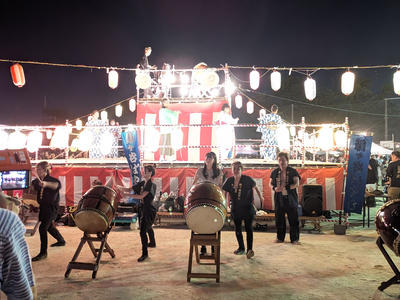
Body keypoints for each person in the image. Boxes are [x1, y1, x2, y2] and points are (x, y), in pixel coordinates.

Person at [222, 161, 264, 259]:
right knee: (237, 228)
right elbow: (225, 192)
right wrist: (225, 204)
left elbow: (256, 187)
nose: (236, 170)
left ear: (242, 169)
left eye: (238, 168)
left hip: (247, 208)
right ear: (232, 170)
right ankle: (241, 247)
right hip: (235, 208)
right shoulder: (229, 181)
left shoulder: (247, 179)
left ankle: (250, 250)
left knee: (249, 228)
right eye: (234, 168)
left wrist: (261, 197)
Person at [117, 164, 157, 262]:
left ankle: (145, 254)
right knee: (147, 226)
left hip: (148, 209)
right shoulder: (142, 183)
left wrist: (126, 194)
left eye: (145, 171)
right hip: (142, 208)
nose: (143, 172)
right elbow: (130, 189)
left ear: (150, 173)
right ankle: (152, 242)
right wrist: (120, 188)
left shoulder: (151, 185)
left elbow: (141, 196)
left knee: (143, 230)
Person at [31, 161, 66, 261]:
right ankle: (61, 240)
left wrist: (46, 184)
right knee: (49, 226)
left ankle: (43, 253)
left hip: (52, 209)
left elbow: (57, 185)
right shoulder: (38, 181)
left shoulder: (51, 180)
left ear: (45, 170)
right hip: (43, 208)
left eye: (39, 170)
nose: (37, 171)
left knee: (43, 228)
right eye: (37, 169)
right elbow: (34, 185)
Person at [0, 207, 37, 299]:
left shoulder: (5, 222)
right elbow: (21, 293)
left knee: (45, 228)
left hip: (49, 209)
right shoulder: (5, 221)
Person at [192, 151, 223, 255]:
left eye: (210, 158)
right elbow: (194, 184)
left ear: (214, 160)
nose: (208, 160)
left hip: (213, 200)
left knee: (213, 222)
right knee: (201, 222)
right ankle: (203, 247)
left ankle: (214, 248)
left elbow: (220, 187)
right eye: (206, 158)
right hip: (201, 199)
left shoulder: (218, 172)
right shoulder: (200, 171)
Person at [269, 152, 301, 244]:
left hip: (291, 198)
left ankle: (294, 239)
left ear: (287, 160)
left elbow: (296, 184)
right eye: (280, 160)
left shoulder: (292, 171)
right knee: (279, 219)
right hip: (279, 198)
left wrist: (286, 188)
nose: (282, 162)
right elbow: (270, 183)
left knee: (294, 219)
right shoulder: (275, 172)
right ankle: (280, 237)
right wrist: (274, 188)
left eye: (283, 160)